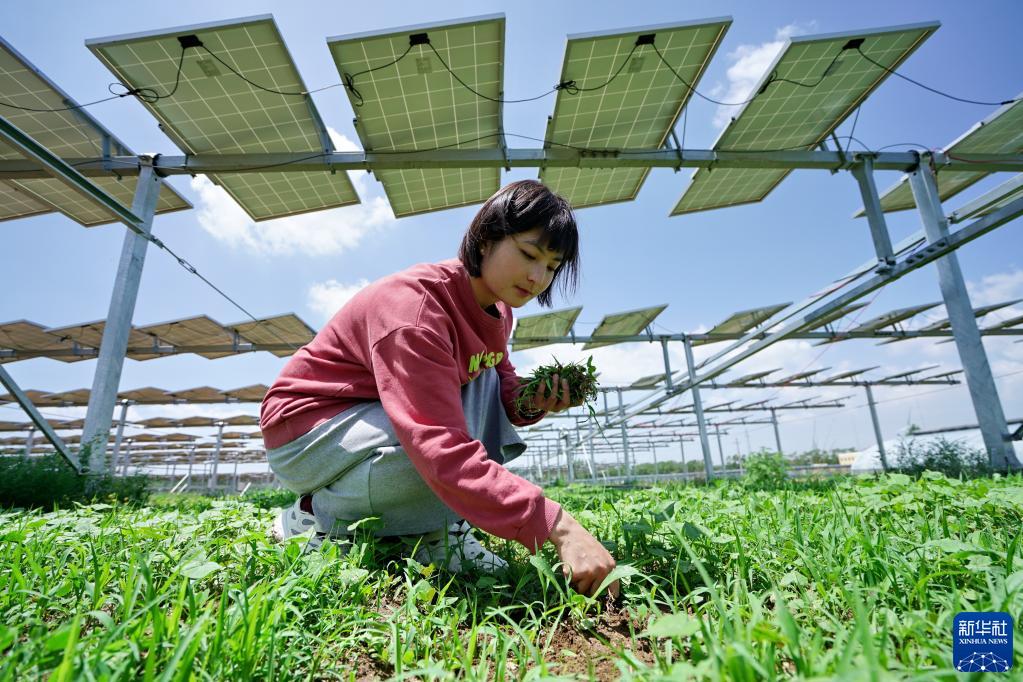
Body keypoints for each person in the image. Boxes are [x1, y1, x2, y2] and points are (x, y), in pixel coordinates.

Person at [260, 180, 618, 598]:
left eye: (552, 267)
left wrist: (530, 399)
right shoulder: (415, 311)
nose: (538, 277)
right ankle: (315, 514)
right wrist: (559, 528)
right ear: (486, 240)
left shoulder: (499, 312)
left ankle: (434, 530)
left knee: (476, 383)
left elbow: (497, 381)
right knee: (430, 449)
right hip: (309, 431)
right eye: (527, 254)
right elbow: (438, 446)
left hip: (369, 419)